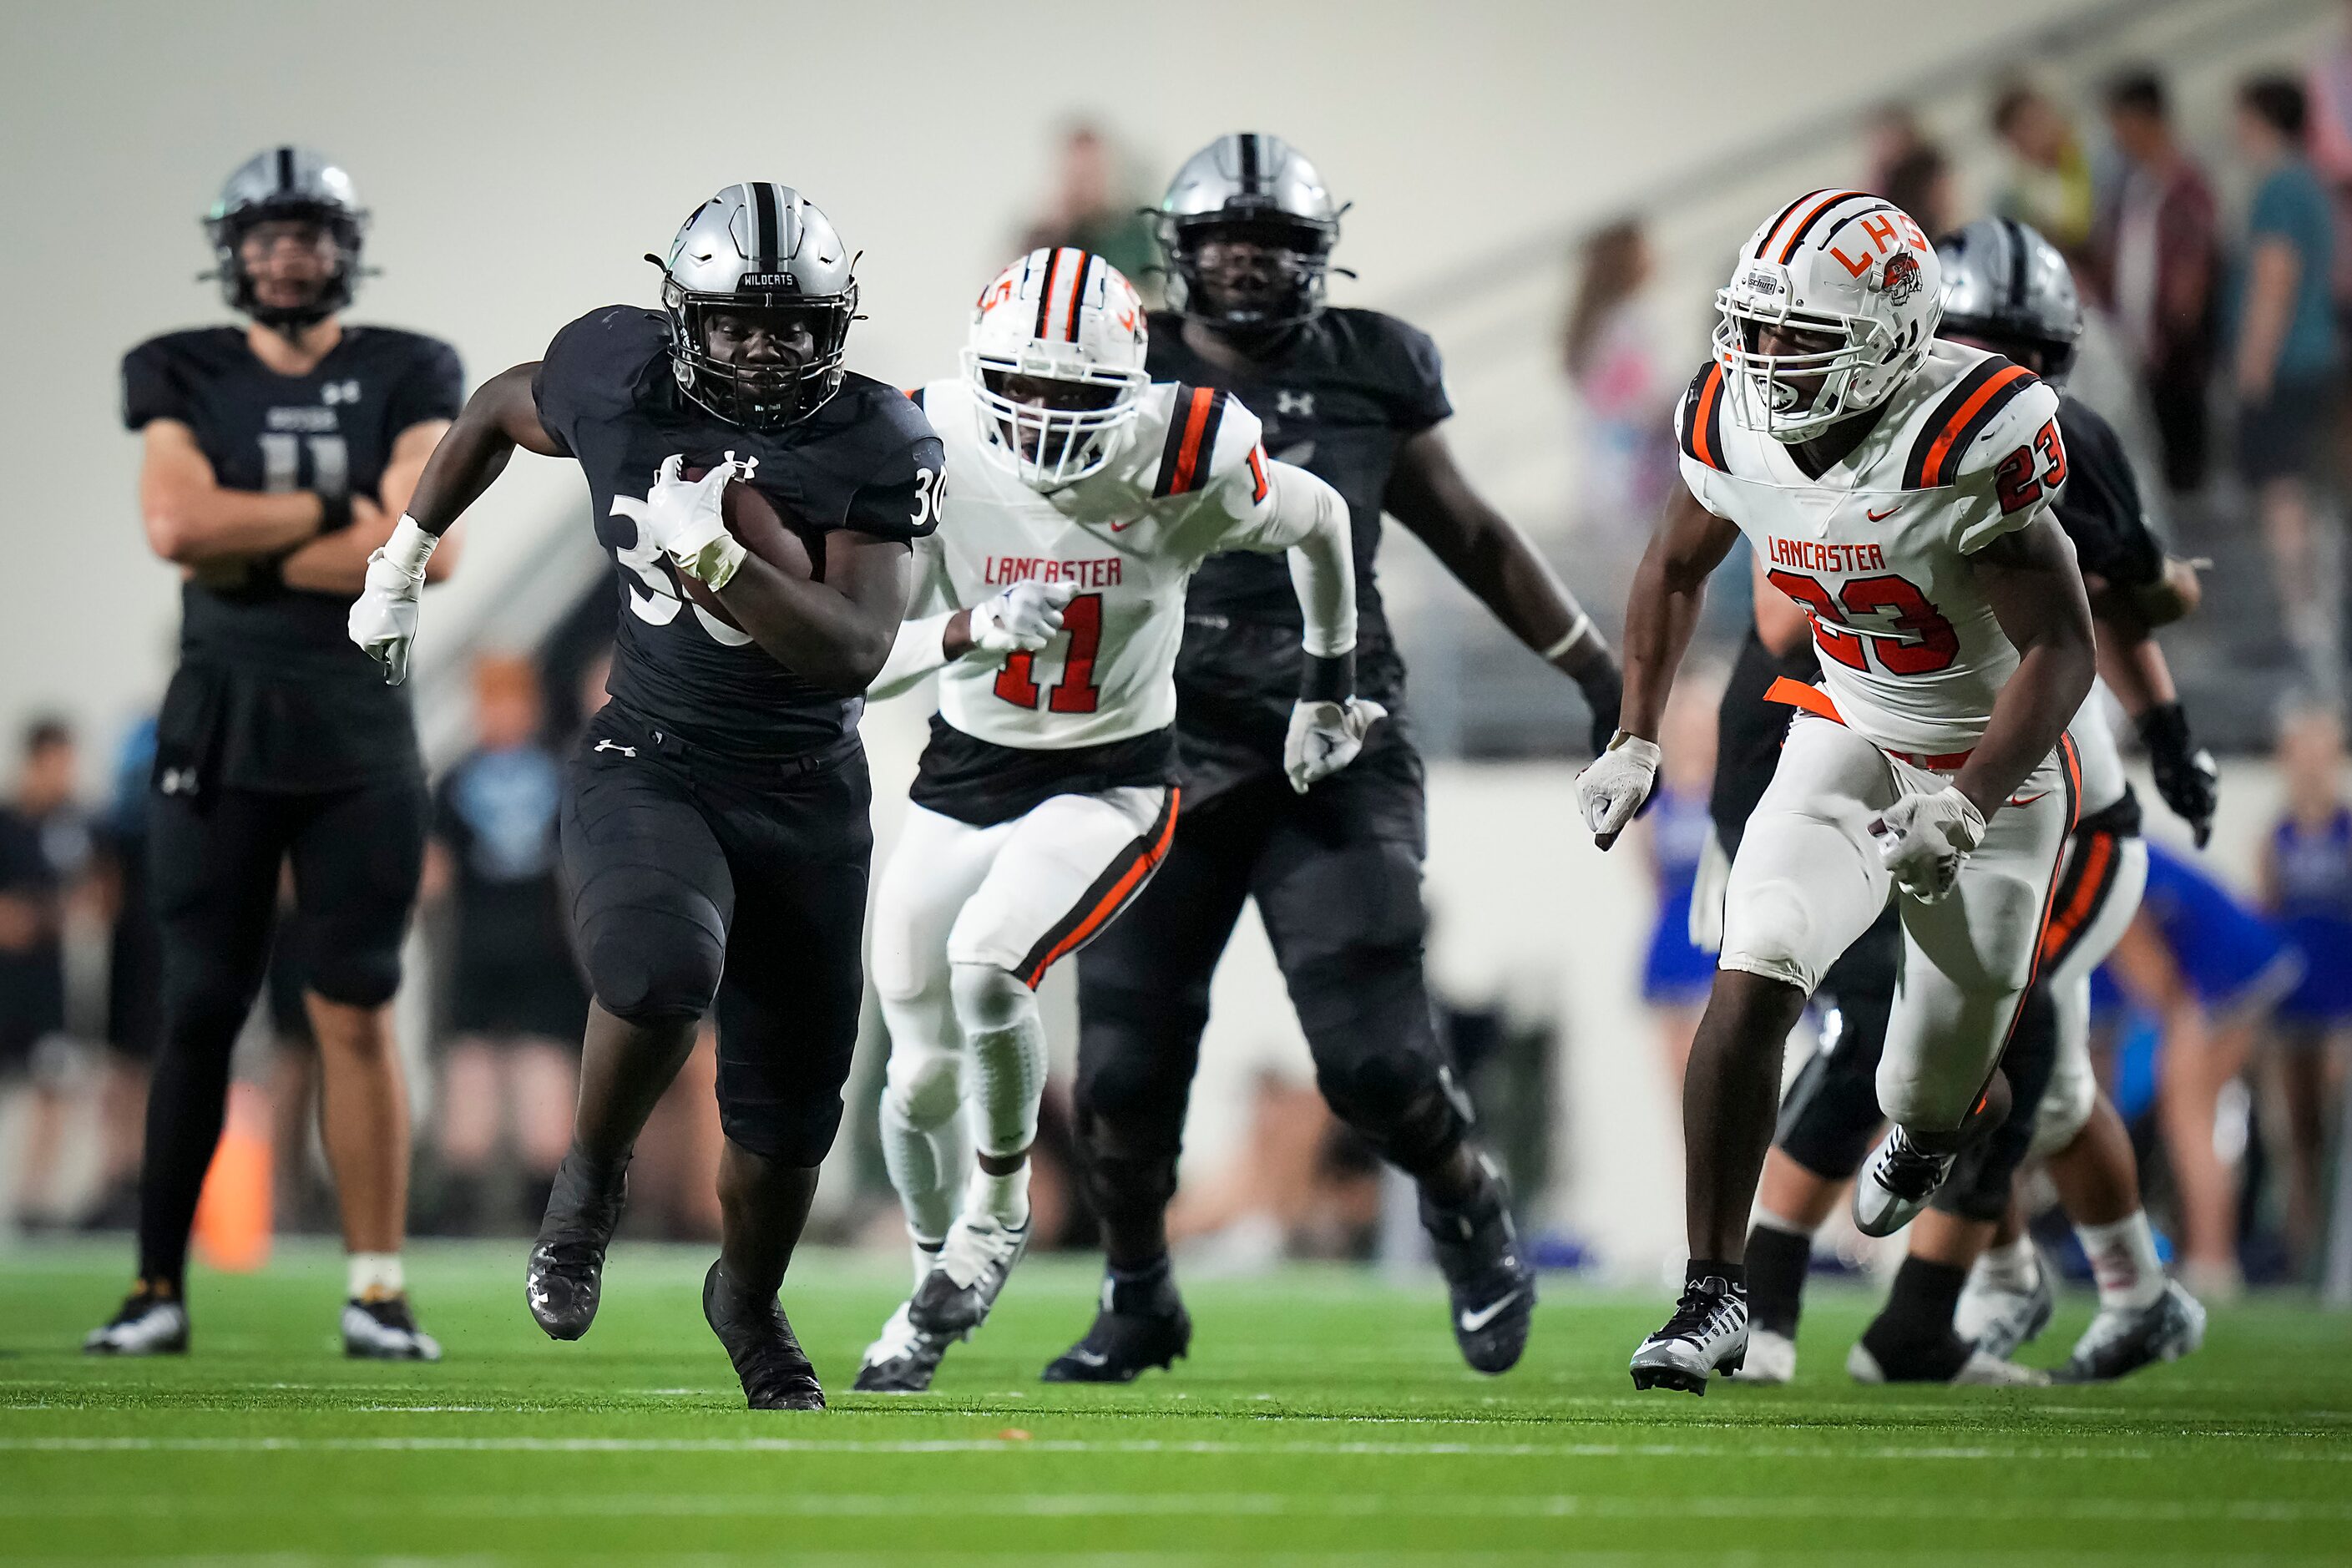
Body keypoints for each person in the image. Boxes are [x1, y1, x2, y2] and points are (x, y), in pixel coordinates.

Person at [349, 182, 943, 1410]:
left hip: (804, 789)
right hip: (654, 756)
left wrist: (721, 560)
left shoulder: (877, 438)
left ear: (836, 323)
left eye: (792, 323)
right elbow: (499, 407)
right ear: (682, 317)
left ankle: (748, 1298)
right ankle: (588, 1184)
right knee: (657, 969)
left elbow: (851, 650)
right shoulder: (618, 376)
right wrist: (402, 555)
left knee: (787, 1118)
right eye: (735, 321)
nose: (765, 345)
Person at [1062, 134, 1626, 1382]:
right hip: (1155, 743)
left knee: (1374, 1056)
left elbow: (1472, 529)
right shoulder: (1114, 358)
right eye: (1228, 244)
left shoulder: (1372, 368)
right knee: (1119, 1075)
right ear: (1179, 254)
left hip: (1334, 741)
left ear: (1320, 258)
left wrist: (1594, 667)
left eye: (1276, 244)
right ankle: (1139, 1293)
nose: (1252, 266)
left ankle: (1464, 1191)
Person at [1582, 189, 2096, 1394]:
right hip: (1849, 726)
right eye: (1751, 332)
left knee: (1922, 1087)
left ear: (1889, 338)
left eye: (1799, 338)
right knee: (1756, 956)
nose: (1763, 363)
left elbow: (2064, 647)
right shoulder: (1729, 421)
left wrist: (1968, 798)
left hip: (1996, 780)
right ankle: (1714, 1294)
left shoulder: (1969, 428)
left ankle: (1939, 1124)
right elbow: (1671, 567)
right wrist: (1635, 735)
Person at [853, 247, 1370, 1392]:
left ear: (1128, 388)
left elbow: (1322, 520)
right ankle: (930, 1279)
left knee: (992, 962)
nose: (1038, 417)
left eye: (1069, 392)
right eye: (1017, 388)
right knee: (912, 1073)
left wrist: (1326, 683)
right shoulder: (922, 443)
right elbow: (857, 664)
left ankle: (997, 1215)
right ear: (977, 375)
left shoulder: (1181, 456)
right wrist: (968, 629)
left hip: (1111, 776)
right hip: (963, 771)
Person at [1730, 220, 2214, 1387]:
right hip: (1847, 750)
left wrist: (2168, 728)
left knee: (2004, 1045)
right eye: (1965, 340)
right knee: (2018, 1074)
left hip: (2033, 792)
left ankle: (1929, 1304)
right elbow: (1777, 618)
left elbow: (2120, 613)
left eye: (2013, 354)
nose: (1984, 370)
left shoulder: (2045, 442)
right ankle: (2043, 1291)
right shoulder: (1801, 427)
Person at [87, 149, 460, 1359]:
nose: (290, 253)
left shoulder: (410, 364)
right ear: (232, 250)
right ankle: (156, 1285)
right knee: (197, 1002)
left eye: (310, 232)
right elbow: (173, 525)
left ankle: (377, 1287)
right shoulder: (176, 365)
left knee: (356, 1000)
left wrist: (254, 537)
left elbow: (429, 552)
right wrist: (342, 521)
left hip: (359, 719)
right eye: (268, 233)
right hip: (223, 716)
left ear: (345, 245)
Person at [423, 655, 585, 1234]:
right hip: (476, 951)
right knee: (471, 1083)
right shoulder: (457, 779)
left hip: (547, 953)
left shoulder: (560, 774)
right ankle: (463, 1208)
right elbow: (434, 875)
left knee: (545, 1085)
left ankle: (549, 1212)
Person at [2111, 843, 2303, 1300]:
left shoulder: (2099, 860)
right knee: (2194, 1120)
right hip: (2240, 966)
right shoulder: (2119, 844)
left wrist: (2177, 1032)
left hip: (2225, 977)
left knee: (2189, 1121)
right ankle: (2211, 1258)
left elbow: (2152, 976)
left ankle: (2213, 1261)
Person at [2230, 74, 2342, 679]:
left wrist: (2252, 363)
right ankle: (2316, 614)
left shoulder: (2278, 188)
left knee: (2284, 498)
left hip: (2284, 363)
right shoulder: (2313, 184)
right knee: (2306, 494)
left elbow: (2275, 275)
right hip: (2317, 357)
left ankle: (2304, 622)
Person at [2096, 69, 2219, 498]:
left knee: (2190, 471)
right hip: (2144, 351)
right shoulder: (2134, 186)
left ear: (2145, 118)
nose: (2116, 135)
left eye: (2121, 122)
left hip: (2178, 356)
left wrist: (2179, 329)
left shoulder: (2185, 184)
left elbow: (2194, 267)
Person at [2259, 704, 2352, 1272]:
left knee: (2333, 1128)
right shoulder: (2277, 836)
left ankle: (2333, 1255)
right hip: (2290, 1005)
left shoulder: (2346, 830)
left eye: (2322, 754)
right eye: (2302, 755)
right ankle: (2298, 1256)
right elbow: (2267, 917)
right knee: (2291, 1136)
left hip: (2339, 1005)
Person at [0, 720, 97, 1228]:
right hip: (6, 987)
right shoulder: (6, 824)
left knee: (54, 1088)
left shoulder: (68, 828)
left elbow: (84, 898)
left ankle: (32, 1202)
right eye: (57, 762)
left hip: (47, 989)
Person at [1562, 220, 1677, 535]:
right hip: (1634, 468)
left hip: (1606, 468)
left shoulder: (1596, 324)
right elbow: (1644, 401)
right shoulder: (1627, 323)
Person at [1015, 124, 1160, 295]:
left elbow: (1149, 293)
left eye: (1091, 174)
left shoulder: (1131, 233)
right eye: (1078, 175)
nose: (1084, 186)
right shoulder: (1043, 236)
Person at [1990, 82, 2097, 260]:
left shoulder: (2096, 158)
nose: (2031, 137)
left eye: (2034, 123)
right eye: (2018, 135)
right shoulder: (2014, 202)